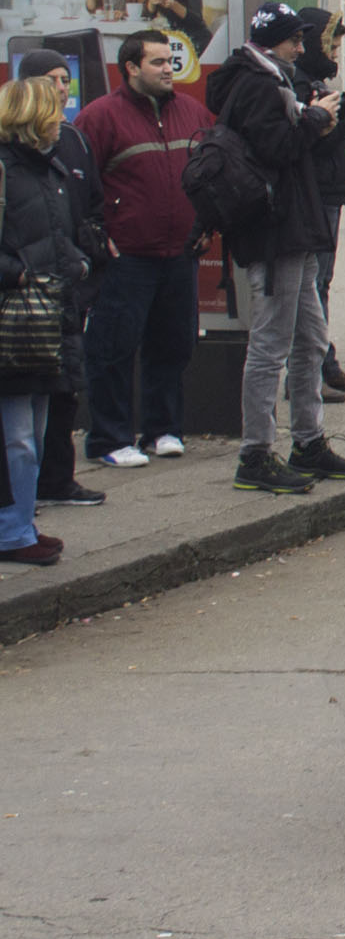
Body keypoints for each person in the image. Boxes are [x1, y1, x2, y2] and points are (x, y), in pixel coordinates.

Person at [205, 2, 345, 495]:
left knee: (310, 339)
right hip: (275, 231)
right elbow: (276, 148)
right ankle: (255, 453)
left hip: (296, 225)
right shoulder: (256, 83)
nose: (301, 47)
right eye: (294, 39)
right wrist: (315, 119)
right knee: (271, 345)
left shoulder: (272, 78)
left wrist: (314, 118)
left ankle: (308, 441)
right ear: (272, 42)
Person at [78, 31, 210, 464]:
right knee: (112, 349)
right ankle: (110, 439)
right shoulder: (100, 117)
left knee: (172, 346)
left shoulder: (192, 112)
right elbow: (78, 183)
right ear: (131, 68)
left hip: (179, 253)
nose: (168, 69)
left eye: (170, 60)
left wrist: (207, 223)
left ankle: (162, 430)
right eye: (157, 62)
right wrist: (98, 237)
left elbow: (211, 173)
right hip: (127, 256)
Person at [0, 77, 92, 562]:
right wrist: (19, 275)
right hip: (17, 317)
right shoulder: (8, 170)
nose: (62, 118)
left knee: (33, 432)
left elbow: (59, 233)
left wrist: (79, 263)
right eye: (54, 111)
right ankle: (12, 531)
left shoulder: (49, 167)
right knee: (16, 437)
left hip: (48, 313)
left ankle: (22, 522)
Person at [292, 9, 345, 396]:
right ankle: (310, 371)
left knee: (320, 283)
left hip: (329, 193)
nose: (336, 54)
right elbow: (327, 137)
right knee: (313, 285)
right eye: (332, 46)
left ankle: (324, 363)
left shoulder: (314, 81)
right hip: (317, 195)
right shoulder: (302, 84)